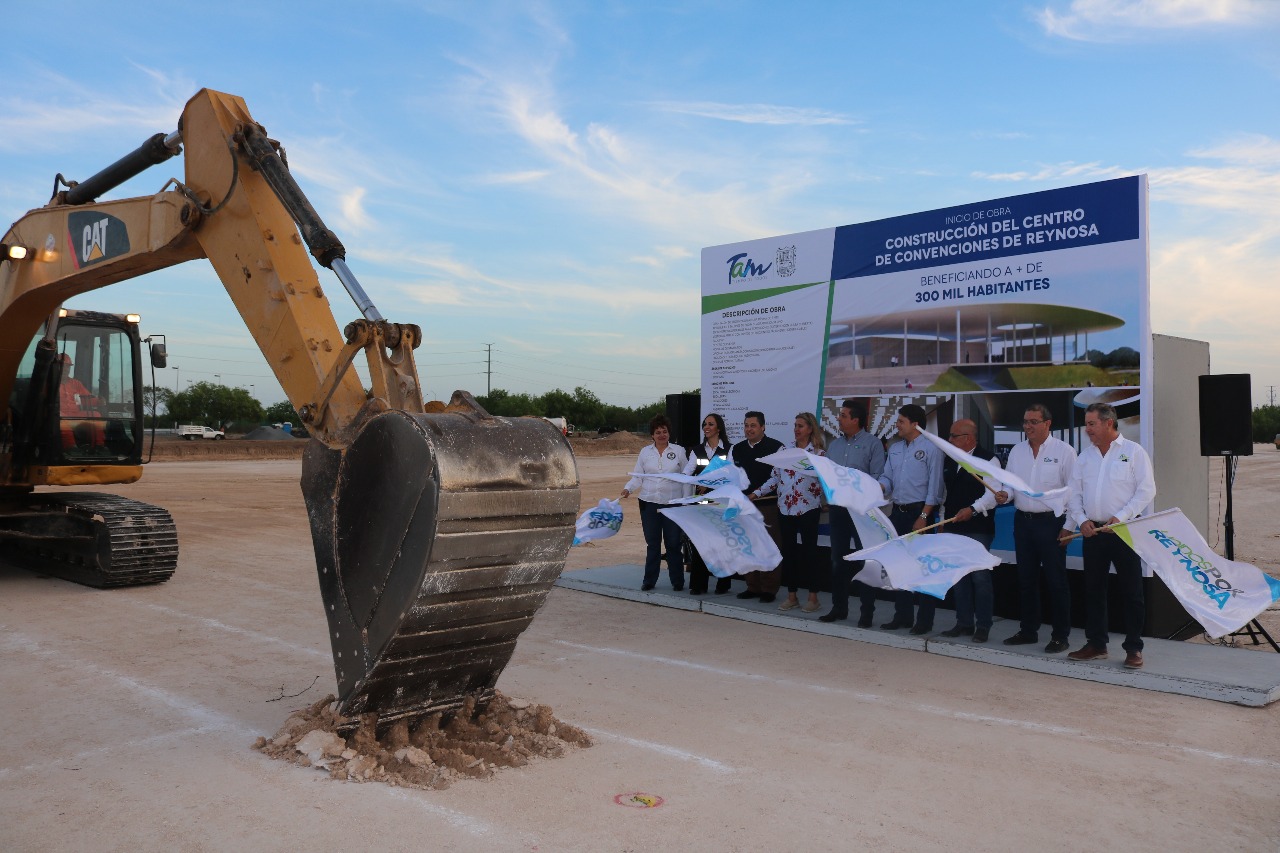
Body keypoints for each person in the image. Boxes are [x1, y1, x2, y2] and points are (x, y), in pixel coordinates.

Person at [1061, 402, 1156, 669]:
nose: (1087, 429)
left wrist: (1122, 516)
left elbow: (1146, 491)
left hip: (1124, 532)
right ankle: (1096, 644)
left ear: (1109, 423)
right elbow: (1074, 494)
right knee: (1093, 590)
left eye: (1091, 424)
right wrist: (1081, 521)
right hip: (1094, 534)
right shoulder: (1085, 457)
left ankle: (1134, 648)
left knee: (1132, 592)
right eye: (1086, 423)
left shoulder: (1133, 452)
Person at [995, 403, 1076, 653]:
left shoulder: (1065, 452)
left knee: (1056, 582)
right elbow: (1011, 484)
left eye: (1033, 422)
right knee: (1026, 580)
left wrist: (1070, 526)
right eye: (1025, 422)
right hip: (1024, 523)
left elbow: (1074, 492)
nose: (1027, 426)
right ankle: (1028, 630)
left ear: (1047, 424)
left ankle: (1060, 635)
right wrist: (1004, 495)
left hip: (1051, 524)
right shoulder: (1018, 451)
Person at [877, 404, 943, 633]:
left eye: (901, 421)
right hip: (898, 512)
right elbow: (887, 477)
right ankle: (902, 616)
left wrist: (924, 516)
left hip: (920, 514)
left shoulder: (931, 448)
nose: (897, 425)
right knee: (900, 567)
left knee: (922, 569)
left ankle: (924, 620)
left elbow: (935, 488)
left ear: (915, 424)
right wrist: (879, 486)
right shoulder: (894, 449)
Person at [820, 399, 886, 625]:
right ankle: (839, 608)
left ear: (856, 420)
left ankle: (867, 613)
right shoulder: (835, 446)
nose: (839, 418)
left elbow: (879, 478)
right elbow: (828, 476)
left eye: (843, 415)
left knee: (865, 560)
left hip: (862, 512)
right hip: (838, 510)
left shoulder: (873, 444)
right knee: (838, 560)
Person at [937, 419, 1000, 643]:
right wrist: (944, 520)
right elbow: (946, 494)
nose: (950, 440)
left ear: (968, 438)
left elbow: (994, 494)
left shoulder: (988, 459)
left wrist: (973, 510)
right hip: (954, 526)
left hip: (978, 527)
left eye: (954, 436)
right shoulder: (950, 459)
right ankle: (963, 623)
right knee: (959, 576)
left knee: (980, 577)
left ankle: (983, 625)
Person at [758, 412, 826, 613]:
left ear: (810, 429)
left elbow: (826, 481)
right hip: (785, 508)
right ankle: (792, 596)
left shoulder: (819, 455)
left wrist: (831, 499)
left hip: (808, 509)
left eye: (801, 426)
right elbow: (774, 479)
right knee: (788, 553)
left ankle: (813, 598)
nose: (796, 429)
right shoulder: (785, 451)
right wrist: (755, 493)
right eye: (795, 426)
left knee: (810, 554)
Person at [620, 414, 689, 592]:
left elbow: (687, 477)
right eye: (658, 432)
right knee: (653, 544)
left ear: (669, 433)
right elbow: (638, 476)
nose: (661, 435)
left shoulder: (679, 451)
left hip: (673, 503)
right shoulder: (645, 452)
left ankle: (677, 581)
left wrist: (686, 502)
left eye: (664, 431)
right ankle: (649, 580)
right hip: (649, 503)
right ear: (652, 435)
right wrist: (628, 488)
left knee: (673, 543)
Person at [731, 411, 785, 603]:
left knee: (768, 547)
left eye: (753, 425)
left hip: (766, 505)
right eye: (746, 425)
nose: (749, 429)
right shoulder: (736, 449)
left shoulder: (777, 448)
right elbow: (731, 474)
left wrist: (756, 494)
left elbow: (776, 477)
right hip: (743, 507)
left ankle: (769, 589)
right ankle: (752, 586)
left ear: (763, 427)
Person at [681, 413, 733, 595]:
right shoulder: (697, 450)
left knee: (720, 542)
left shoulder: (729, 449)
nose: (706, 427)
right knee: (700, 542)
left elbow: (731, 476)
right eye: (705, 424)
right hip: (702, 502)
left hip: (721, 502)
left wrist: (708, 482)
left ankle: (723, 583)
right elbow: (688, 472)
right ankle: (698, 584)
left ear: (719, 428)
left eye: (711, 424)